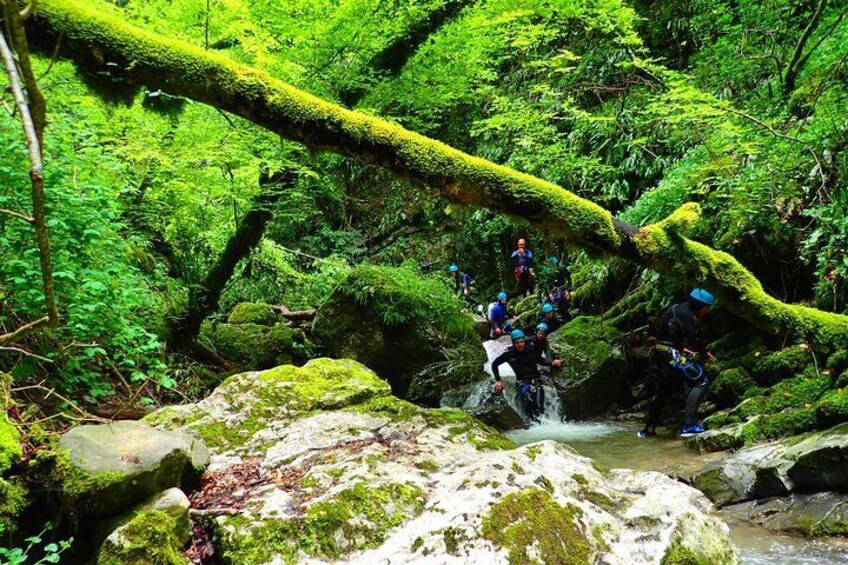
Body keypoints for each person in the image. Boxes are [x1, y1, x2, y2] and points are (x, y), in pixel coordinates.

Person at [638, 288, 717, 439]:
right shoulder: (685, 314)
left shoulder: (677, 308)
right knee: (702, 380)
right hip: (671, 355)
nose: (707, 311)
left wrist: (684, 349)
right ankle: (688, 426)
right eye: (707, 308)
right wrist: (705, 352)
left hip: (663, 353)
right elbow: (693, 339)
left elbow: (669, 336)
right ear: (700, 306)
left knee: (665, 390)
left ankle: (648, 430)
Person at [492, 329, 561, 420]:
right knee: (528, 399)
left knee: (538, 406)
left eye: (521, 342)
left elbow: (540, 360)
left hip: (536, 382)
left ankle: (543, 424)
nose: (520, 344)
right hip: (523, 383)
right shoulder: (509, 354)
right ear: (513, 343)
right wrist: (499, 380)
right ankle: (535, 423)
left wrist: (552, 363)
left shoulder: (531, 349)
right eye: (517, 343)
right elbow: (494, 364)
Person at [545, 256, 573, 321]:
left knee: (564, 307)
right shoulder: (548, 272)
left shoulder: (562, 269)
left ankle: (568, 320)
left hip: (563, 289)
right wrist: (550, 294)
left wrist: (568, 290)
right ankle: (565, 320)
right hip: (555, 292)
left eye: (554, 265)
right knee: (559, 308)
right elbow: (547, 284)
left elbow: (569, 279)